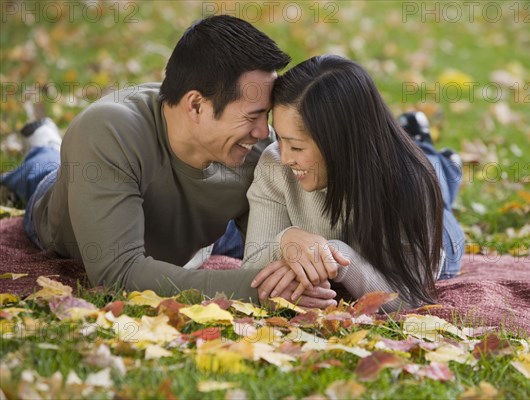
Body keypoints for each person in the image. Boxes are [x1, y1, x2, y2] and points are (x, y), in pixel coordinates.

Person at [0, 16, 338, 308]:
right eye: (252, 116)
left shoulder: (258, 145)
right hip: (71, 213)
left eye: (266, 115)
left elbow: (268, 245)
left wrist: (296, 251)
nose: (264, 132)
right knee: (41, 174)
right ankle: (43, 143)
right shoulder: (108, 133)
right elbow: (118, 274)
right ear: (195, 106)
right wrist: (261, 291)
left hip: (204, 235)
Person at [244, 55, 465, 312]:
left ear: (340, 143)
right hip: (380, 158)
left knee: (438, 183)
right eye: (279, 139)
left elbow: (408, 297)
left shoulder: (412, 185)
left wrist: (339, 257)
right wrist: (286, 239)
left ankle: (445, 162)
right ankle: (417, 137)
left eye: (295, 146)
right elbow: (250, 267)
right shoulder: (275, 164)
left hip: (438, 241)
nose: (284, 158)